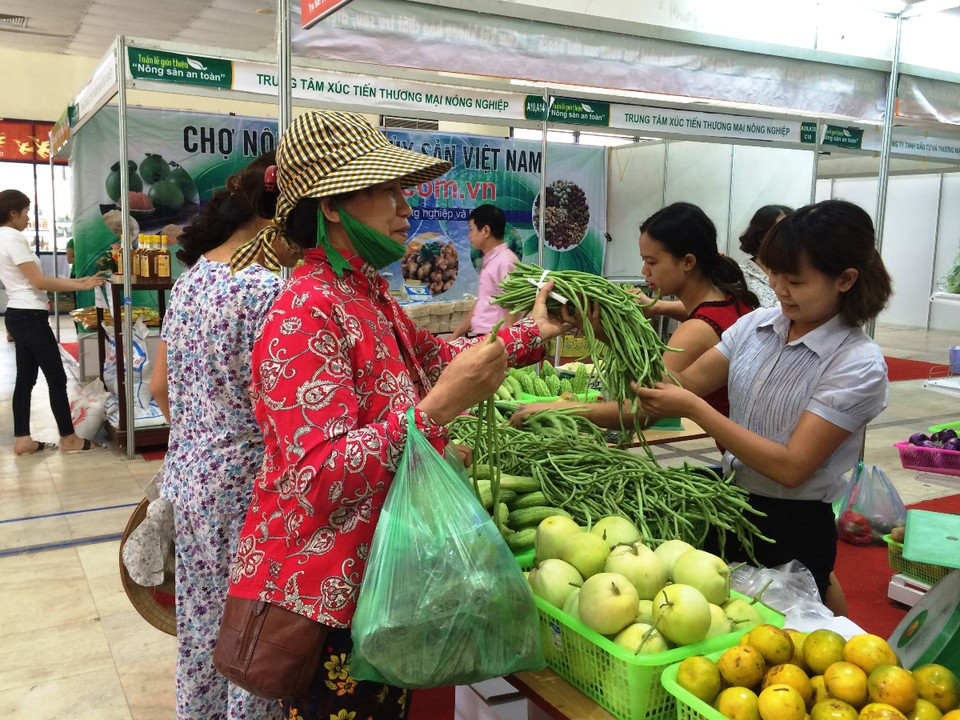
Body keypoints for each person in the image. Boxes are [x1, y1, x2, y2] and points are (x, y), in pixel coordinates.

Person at [226, 110, 571, 720]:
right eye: (386, 189)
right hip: (332, 598)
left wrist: (532, 335)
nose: (405, 204)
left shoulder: (366, 295)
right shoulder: (303, 314)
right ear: (332, 206)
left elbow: (440, 357)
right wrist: (433, 416)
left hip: (387, 579)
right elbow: (317, 476)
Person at [633, 198, 891, 610]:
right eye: (773, 274)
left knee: (786, 645)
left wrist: (697, 410)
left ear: (845, 279)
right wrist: (612, 327)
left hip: (793, 525)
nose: (778, 288)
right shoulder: (756, 326)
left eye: (796, 281)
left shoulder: (857, 364)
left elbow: (791, 468)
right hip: (732, 504)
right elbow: (679, 384)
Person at [148, 153, 286, 720]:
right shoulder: (268, 291)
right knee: (254, 644)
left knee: (203, 633)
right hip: (249, 491)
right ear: (275, 217)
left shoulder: (192, 281)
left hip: (190, 483)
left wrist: (202, 442)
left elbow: (159, 386)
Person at [512, 202, 758, 435]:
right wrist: (656, 307)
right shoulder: (734, 300)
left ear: (688, 261)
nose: (644, 271)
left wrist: (558, 408)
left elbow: (644, 411)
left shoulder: (697, 329)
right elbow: (700, 313)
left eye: (652, 261)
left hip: (741, 463)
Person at [0, 189, 109, 455]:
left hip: (17, 313)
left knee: (25, 379)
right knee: (56, 378)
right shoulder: (13, 238)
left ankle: (23, 439)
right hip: (29, 316)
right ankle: (69, 438)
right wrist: (80, 282)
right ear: (13, 213)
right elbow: (38, 282)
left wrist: (78, 282)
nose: (28, 218)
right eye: (26, 212)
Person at [450, 204, 521, 339]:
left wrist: (508, 344)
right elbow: (482, 302)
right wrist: (455, 335)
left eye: (471, 230)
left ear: (485, 231)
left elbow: (512, 307)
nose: (469, 235)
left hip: (496, 339)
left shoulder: (505, 262)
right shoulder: (491, 260)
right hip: (485, 337)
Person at [738, 204, 792, 308]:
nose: (788, 238)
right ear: (761, 236)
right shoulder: (740, 275)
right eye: (780, 232)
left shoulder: (800, 272)